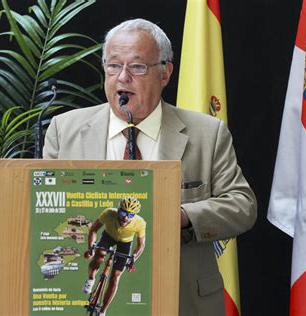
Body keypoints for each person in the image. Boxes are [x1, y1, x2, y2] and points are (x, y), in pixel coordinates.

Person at [43, 18, 257, 316]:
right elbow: (44, 207)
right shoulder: (64, 130)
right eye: (113, 66)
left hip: (182, 299)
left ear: (165, 73)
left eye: (138, 67)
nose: (122, 78)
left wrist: (183, 216)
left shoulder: (207, 133)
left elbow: (242, 206)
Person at [83, 197, 146, 316]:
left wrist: (133, 258)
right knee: (98, 257)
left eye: (130, 215)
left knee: (115, 277)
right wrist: (90, 247)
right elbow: (93, 230)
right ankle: (91, 279)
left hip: (125, 243)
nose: (125, 218)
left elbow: (141, 245)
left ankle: (103, 311)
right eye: (122, 213)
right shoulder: (109, 213)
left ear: (134, 216)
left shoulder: (140, 223)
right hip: (108, 237)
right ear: (118, 210)